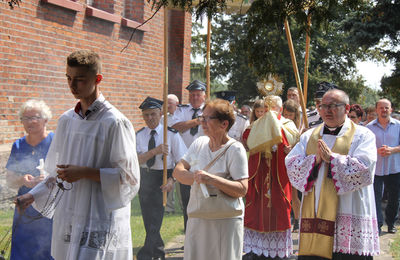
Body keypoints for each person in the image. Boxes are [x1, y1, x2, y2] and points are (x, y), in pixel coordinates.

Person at [16, 50, 140, 260]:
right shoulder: (66, 121)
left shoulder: (115, 122)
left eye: (80, 80)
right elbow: (57, 172)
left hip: (100, 215)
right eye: (69, 78)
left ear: (98, 79)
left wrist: (85, 172)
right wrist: (33, 195)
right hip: (71, 214)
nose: (72, 86)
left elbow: (129, 178)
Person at [286, 89, 379, 259]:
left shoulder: (363, 135)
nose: (328, 110)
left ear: (347, 108)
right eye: (324, 106)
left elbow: (365, 168)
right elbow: (291, 165)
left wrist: (333, 159)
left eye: (334, 106)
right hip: (315, 213)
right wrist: (315, 160)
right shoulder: (308, 136)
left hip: (349, 210)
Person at [172, 98, 248, 260]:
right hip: (198, 217)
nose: (202, 122)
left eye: (208, 118)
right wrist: (196, 177)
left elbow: (242, 189)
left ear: (224, 124)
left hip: (225, 221)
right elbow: (178, 171)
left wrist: (212, 180)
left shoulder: (235, 149)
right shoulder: (199, 144)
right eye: (202, 117)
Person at [243, 95, 299, 259]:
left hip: (278, 174)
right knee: (257, 207)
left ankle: (279, 252)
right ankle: (256, 250)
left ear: (280, 109)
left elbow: (293, 140)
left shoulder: (287, 124)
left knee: (279, 206)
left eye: (273, 107)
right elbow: (247, 139)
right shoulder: (257, 124)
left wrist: (277, 135)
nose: (270, 111)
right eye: (267, 107)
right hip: (260, 174)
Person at [136, 97, 187, 260]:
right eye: (146, 115)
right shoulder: (139, 135)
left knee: (156, 218)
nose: (149, 118)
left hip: (163, 178)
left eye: (153, 114)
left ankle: (145, 254)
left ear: (160, 114)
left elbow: (181, 160)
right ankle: (158, 252)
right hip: (145, 177)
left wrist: (172, 180)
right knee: (147, 218)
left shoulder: (170, 135)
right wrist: (154, 152)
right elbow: (135, 160)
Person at [5, 100, 54, 260]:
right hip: (24, 210)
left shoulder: (56, 142)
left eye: (34, 117)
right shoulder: (18, 145)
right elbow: (10, 180)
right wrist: (22, 179)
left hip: (50, 210)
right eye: (24, 118)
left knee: (50, 251)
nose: (29, 122)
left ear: (46, 119)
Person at [171, 80, 206, 232]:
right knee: (187, 201)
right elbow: (176, 127)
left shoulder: (210, 110)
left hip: (205, 160)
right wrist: (197, 121)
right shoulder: (181, 110)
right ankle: (189, 235)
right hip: (186, 162)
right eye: (192, 95)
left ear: (204, 96)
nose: (195, 98)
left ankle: (203, 235)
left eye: (198, 94)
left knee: (204, 200)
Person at [366, 98, 400, 235]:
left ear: (391, 109)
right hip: (376, 169)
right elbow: (365, 148)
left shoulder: (398, 126)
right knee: (375, 198)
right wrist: (376, 151)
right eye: (381, 108)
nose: (384, 110)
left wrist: (392, 150)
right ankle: (378, 225)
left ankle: (391, 223)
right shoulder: (368, 128)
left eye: (386, 107)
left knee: (394, 198)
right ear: (376, 110)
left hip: (394, 168)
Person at [161, 93, 183, 214]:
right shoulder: (163, 118)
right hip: (169, 153)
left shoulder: (183, 116)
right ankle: (169, 207)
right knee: (169, 178)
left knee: (182, 181)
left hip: (181, 151)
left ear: (177, 104)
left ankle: (183, 204)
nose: (168, 105)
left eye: (170, 103)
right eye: (166, 102)